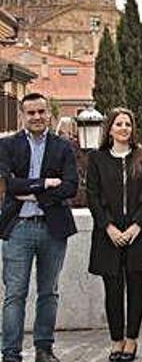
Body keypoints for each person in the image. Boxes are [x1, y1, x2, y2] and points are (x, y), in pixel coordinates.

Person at [0, 92, 77, 362]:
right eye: (31, 113)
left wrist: (30, 191)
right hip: (17, 228)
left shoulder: (63, 147)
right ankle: (11, 353)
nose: (37, 117)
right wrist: (45, 184)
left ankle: (44, 349)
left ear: (49, 114)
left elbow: (71, 186)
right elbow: (9, 185)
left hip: (52, 228)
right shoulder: (7, 146)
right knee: (15, 294)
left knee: (49, 292)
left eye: (41, 112)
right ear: (23, 115)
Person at [86, 108, 142, 361]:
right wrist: (108, 227)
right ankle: (116, 340)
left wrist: (137, 225)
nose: (124, 128)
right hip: (108, 235)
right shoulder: (97, 158)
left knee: (136, 288)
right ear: (109, 129)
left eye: (128, 124)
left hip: (138, 233)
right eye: (119, 124)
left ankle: (131, 340)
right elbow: (93, 196)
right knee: (113, 290)